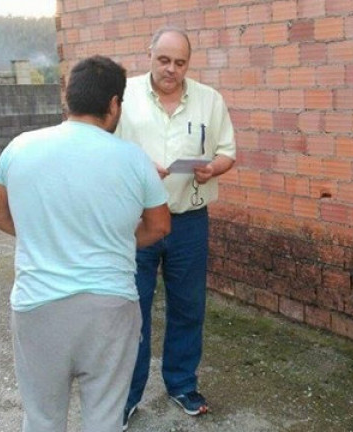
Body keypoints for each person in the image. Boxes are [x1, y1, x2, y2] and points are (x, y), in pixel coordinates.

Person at [0, 55, 171, 432]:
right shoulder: (135, 159)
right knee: (104, 418)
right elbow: (160, 226)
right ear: (114, 104)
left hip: (37, 306)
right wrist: (111, 240)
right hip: (110, 307)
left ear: (66, 98)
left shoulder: (19, 147)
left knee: (41, 418)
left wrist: (47, 234)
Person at [116, 25, 236, 426]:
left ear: (189, 62)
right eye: (163, 60)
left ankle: (182, 383)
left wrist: (213, 168)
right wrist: (135, 166)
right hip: (135, 221)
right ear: (149, 54)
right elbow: (100, 146)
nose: (171, 69)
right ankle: (127, 394)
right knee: (133, 309)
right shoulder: (124, 96)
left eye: (179, 62)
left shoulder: (209, 100)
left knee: (188, 306)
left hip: (189, 220)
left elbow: (227, 152)